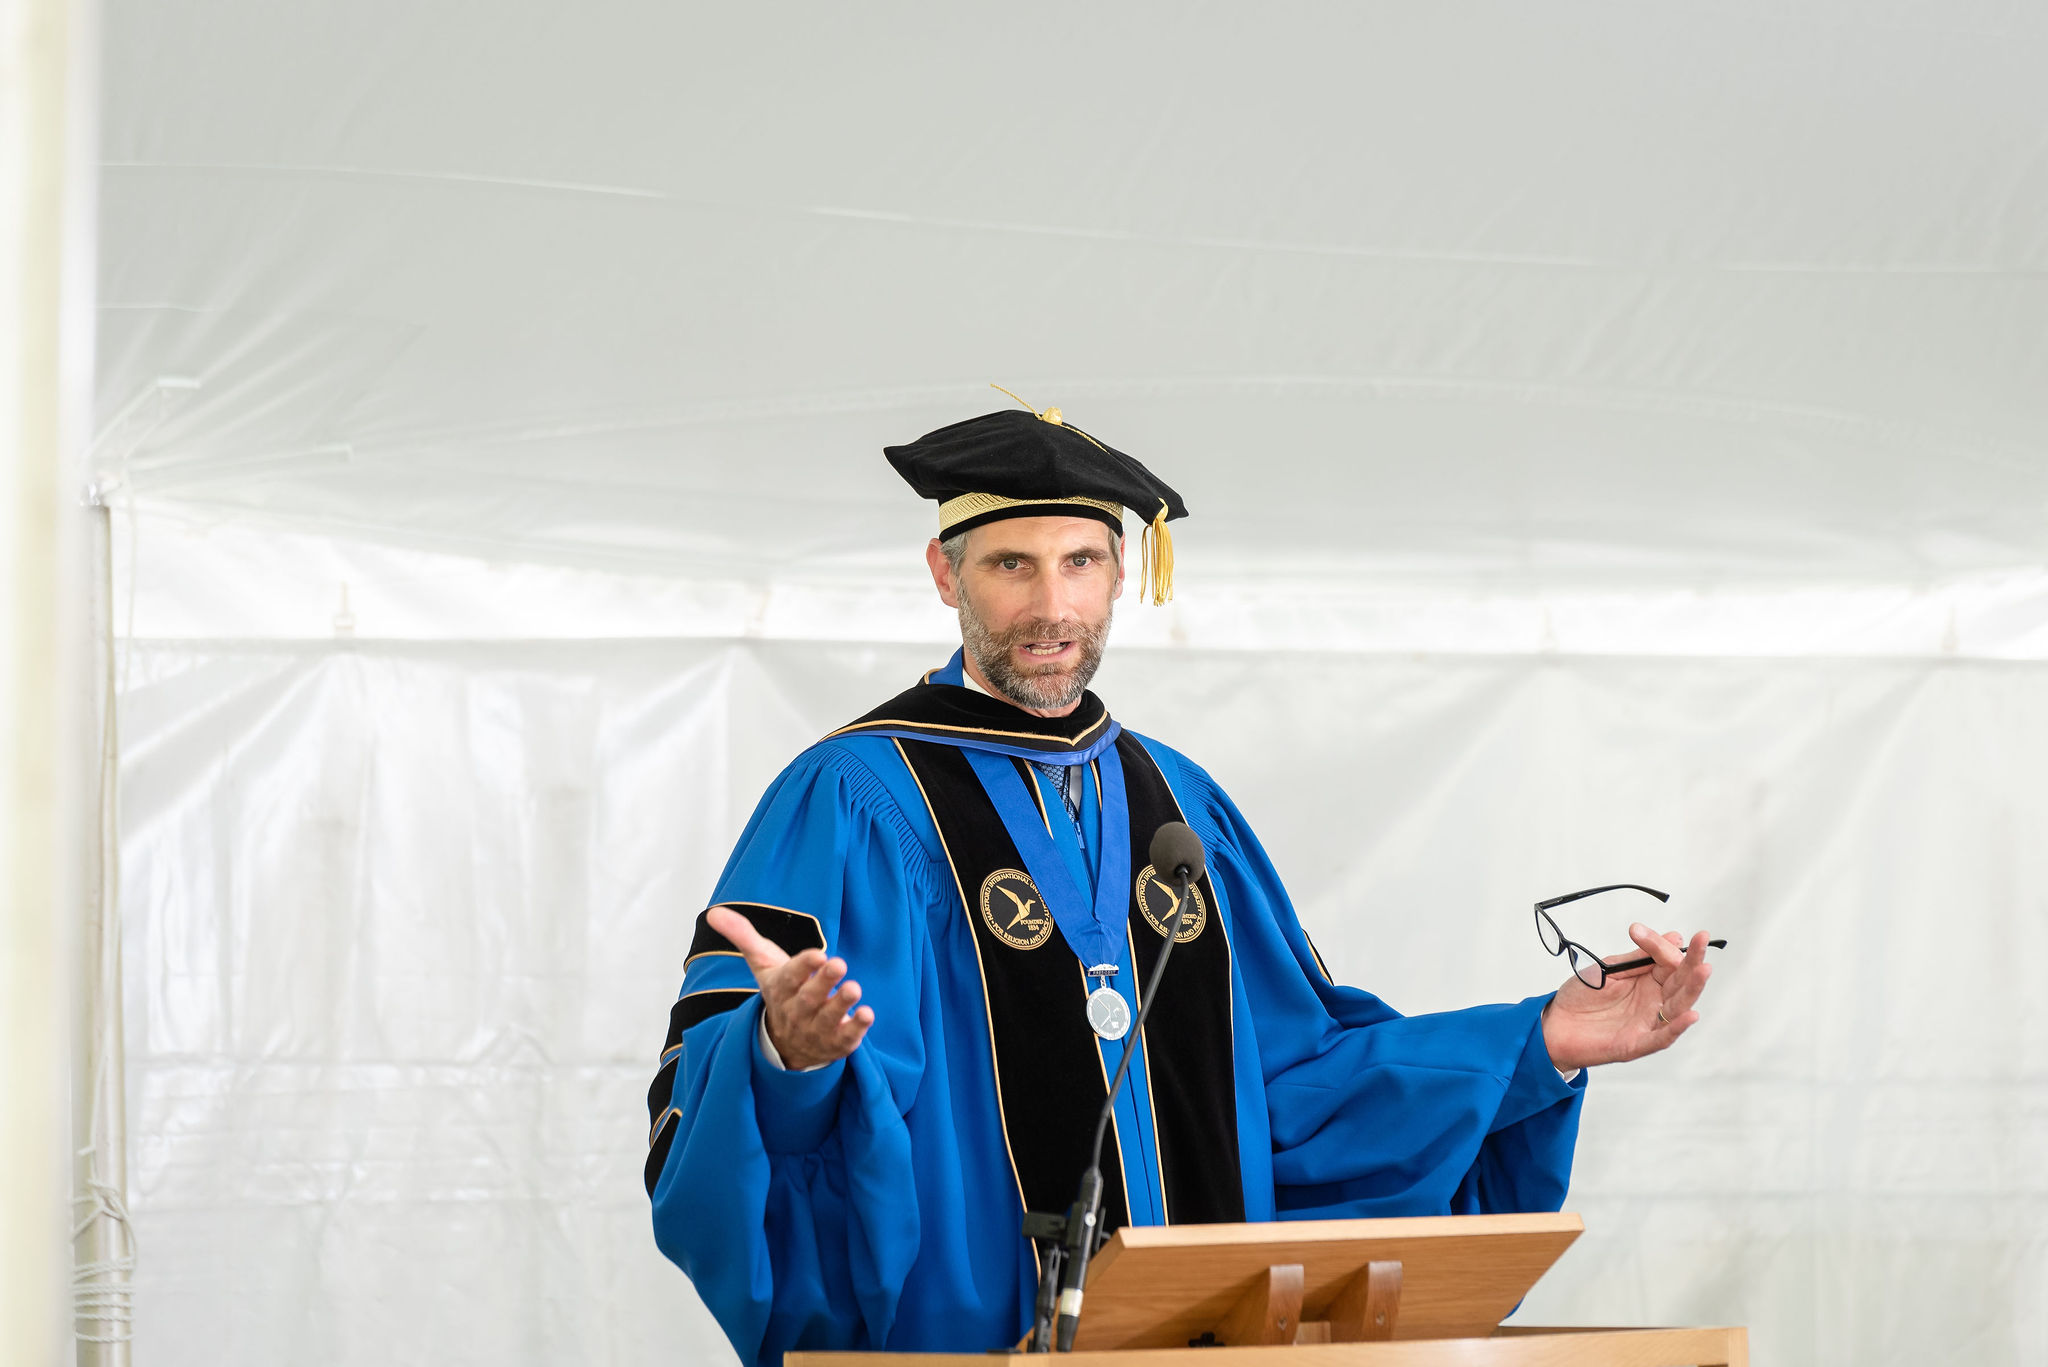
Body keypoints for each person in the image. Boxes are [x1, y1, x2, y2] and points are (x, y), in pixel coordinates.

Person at [644, 395, 1716, 1367]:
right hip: (974, 1345)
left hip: (1196, 1343)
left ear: (1120, 572)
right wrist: (783, 1053)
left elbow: (1293, 1081)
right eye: (1009, 564)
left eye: (1078, 561)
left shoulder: (1178, 803)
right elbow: (737, 1122)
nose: (1049, 604)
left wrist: (1540, 1040)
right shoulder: (856, 797)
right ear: (944, 573)